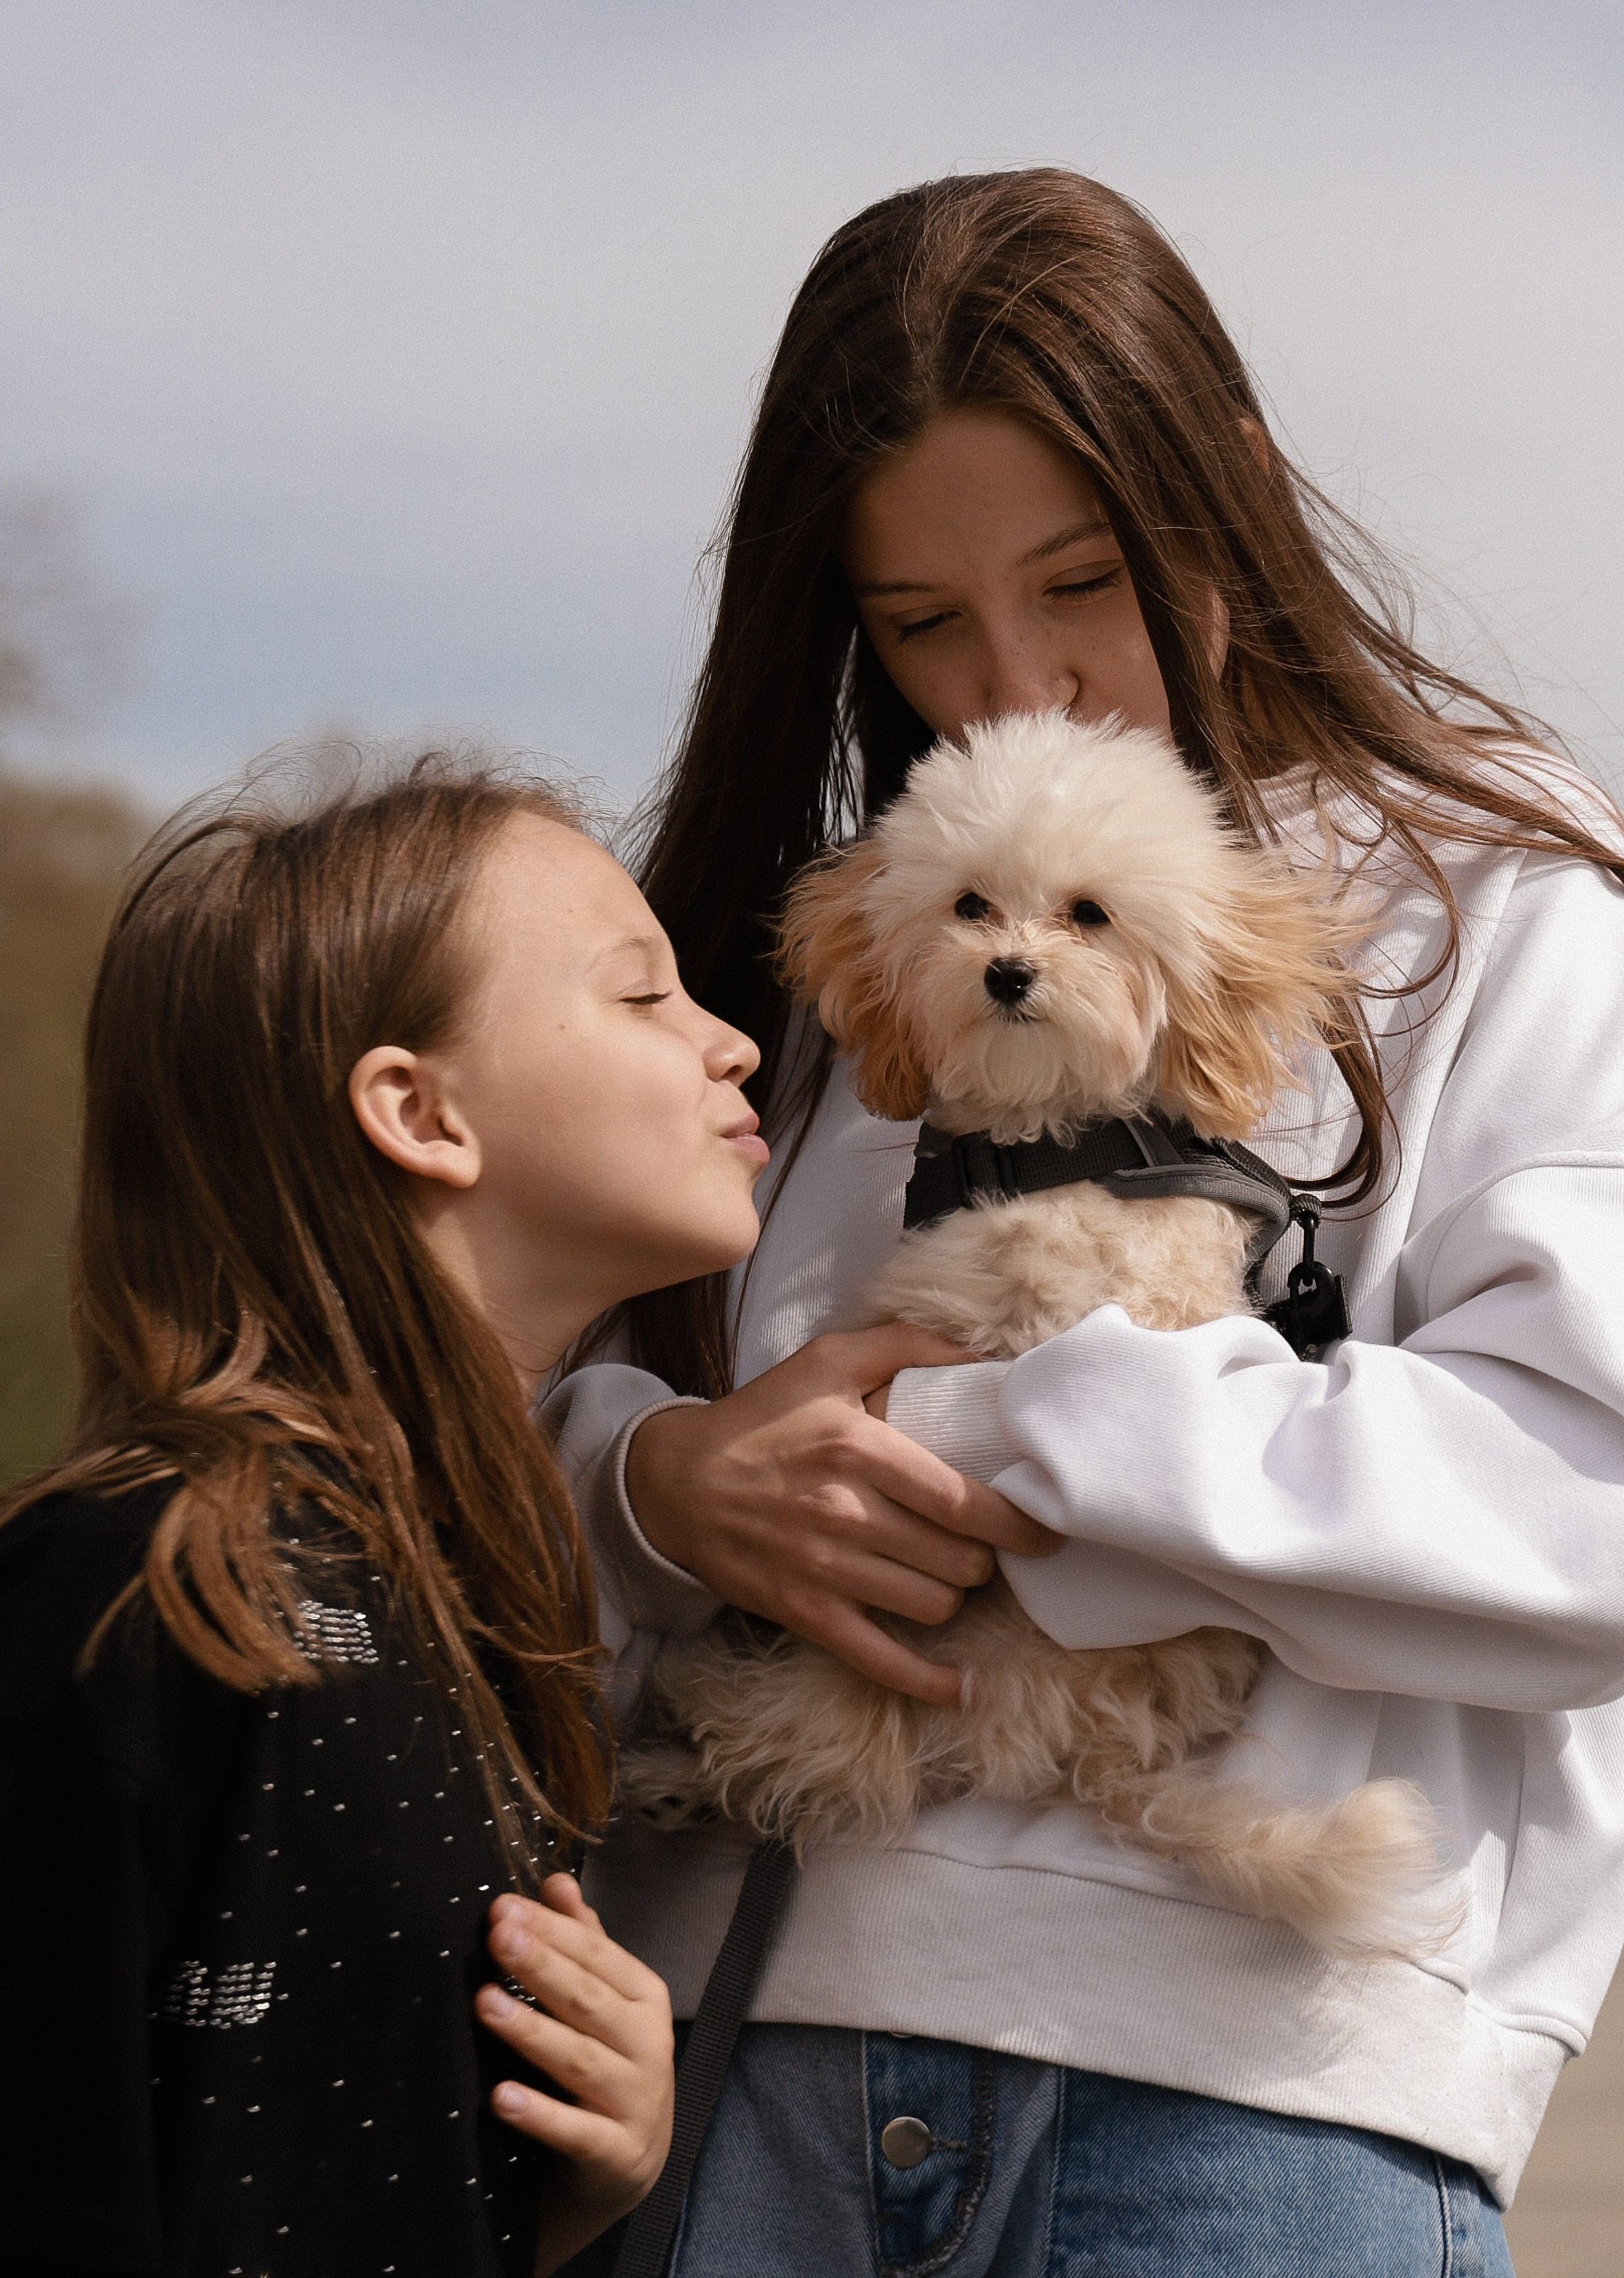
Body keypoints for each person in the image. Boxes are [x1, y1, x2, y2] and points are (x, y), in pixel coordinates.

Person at [546, 171, 1624, 2275]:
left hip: (1251, 2096)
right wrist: (662, 1487)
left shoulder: (1505, 891)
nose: (1019, 674)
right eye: (922, 622)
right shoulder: (845, 937)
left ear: (1215, 502)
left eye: (1082, 578)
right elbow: (457, 1399)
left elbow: (1583, 1509)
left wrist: (978, 1424)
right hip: (713, 2060)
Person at [0, 751, 815, 2277]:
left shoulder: (478, 1614)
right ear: (418, 1110)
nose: (731, 1045)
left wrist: (575, 2186)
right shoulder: (143, 1575)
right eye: (643, 996)